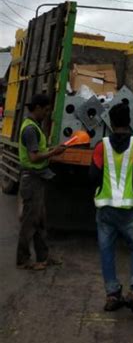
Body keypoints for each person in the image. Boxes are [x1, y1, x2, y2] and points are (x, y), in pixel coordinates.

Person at [90, 102, 133, 317]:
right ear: (129, 121)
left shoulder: (101, 146)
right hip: (130, 209)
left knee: (106, 249)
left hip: (106, 208)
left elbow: (93, 176)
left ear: (110, 122)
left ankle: (112, 295)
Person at [16, 94, 65, 270]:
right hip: (32, 179)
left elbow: (39, 151)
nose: (47, 113)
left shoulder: (34, 126)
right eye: (45, 110)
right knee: (30, 222)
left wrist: (51, 150)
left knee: (40, 220)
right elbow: (34, 157)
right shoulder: (30, 129)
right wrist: (54, 153)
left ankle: (43, 256)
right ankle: (23, 260)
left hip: (36, 178)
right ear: (37, 108)